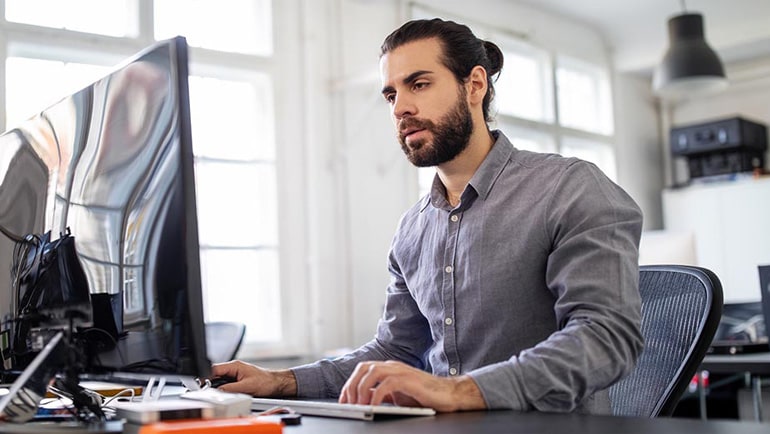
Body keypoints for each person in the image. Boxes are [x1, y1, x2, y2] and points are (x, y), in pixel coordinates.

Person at [211, 17, 644, 415]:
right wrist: (280, 381)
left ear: (474, 85)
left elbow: (606, 337)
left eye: (418, 84)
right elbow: (396, 350)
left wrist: (458, 391)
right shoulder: (412, 230)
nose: (399, 108)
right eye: (391, 93)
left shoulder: (569, 188)